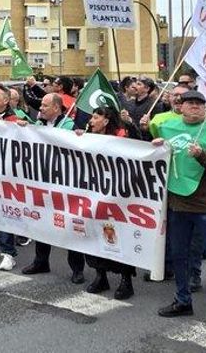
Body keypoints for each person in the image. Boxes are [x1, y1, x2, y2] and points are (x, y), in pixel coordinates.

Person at [153, 90, 206, 337]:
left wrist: (202, 154)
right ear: (180, 107)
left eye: (199, 104)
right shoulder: (168, 128)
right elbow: (160, 154)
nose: (194, 107)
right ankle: (183, 300)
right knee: (178, 255)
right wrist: (157, 147)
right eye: (188, 103)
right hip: (178, 204)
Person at [23, 94, 83, 280]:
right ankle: (41, 261)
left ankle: (77, 269)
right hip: (42, 182)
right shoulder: (38, 125)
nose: (40, 108)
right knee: (41, 221)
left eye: (45, 105)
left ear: (57, 108)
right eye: (41, 105)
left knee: (69, 224)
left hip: (64, 183)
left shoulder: (69, 126)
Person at [82, 105, 138, 299]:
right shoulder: (88, 135)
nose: (91, 121)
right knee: (94, 234)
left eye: (95, 117)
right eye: (91, 117)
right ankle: (100, 275)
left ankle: (126, 279)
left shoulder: (122, 136)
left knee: (117, 235)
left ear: (106, 121)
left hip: (117, 196)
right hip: (93, 194)